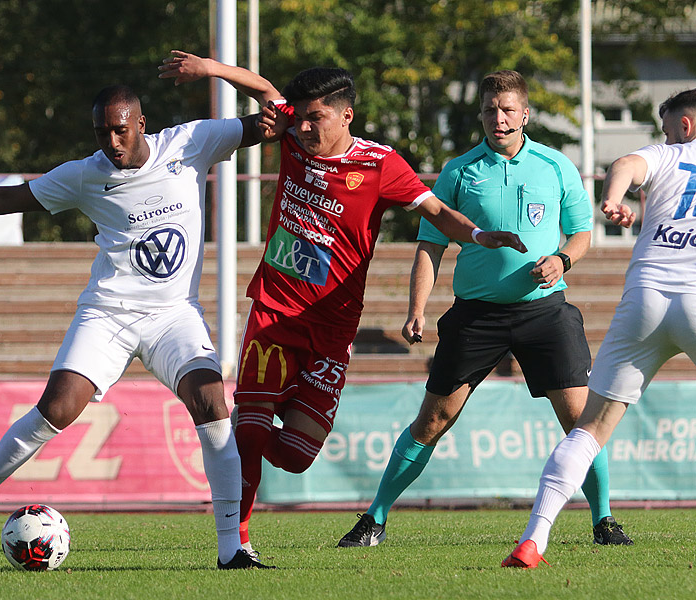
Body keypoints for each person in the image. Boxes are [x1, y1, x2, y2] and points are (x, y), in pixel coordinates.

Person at [0, 77, 282, 569]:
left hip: (174, 316)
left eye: (120, 130)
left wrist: (216, 67)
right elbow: (7, 199)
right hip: (107, 314)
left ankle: (231, 549)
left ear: (141, 124)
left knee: (213, 403)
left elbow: (275, 116)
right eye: (101, 132)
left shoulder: (191, 142)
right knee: (56, 408)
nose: (111, 142)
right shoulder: (84, 175)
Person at [160, 52, 527, 557]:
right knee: (251, 435)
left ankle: (246, 418)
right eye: (301, 116)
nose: (305, 127)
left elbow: (436, 210)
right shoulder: (291, 132)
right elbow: (265, 90)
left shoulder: (380, 165)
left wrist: (480, 235)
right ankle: (238, 542)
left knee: (294, 456)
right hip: (274, 311)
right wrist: (210, 69)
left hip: (333, 326)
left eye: (318, 117)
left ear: (346, 115)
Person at [338, 70, 632, 549]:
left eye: (508, 109)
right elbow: (430, 245)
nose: (500, 118)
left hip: (545, 313)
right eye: (491, 110)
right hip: (475, 316)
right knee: (432, 420)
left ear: (525, 114)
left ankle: (604, 520)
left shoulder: (556, 166)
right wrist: (417, 308)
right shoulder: (458, 170)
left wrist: (561, 260)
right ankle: (375, 519)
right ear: (481, 114)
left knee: (581, 421)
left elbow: (582, 235)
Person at [503, 88, 696, 568]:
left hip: (645, 300)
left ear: (685, 126)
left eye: (669, 128)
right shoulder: (675, 149)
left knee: (589, 429)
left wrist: (612, 199)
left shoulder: (668, 155)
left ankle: (534, 539)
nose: (667, 137)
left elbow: (626, 165)